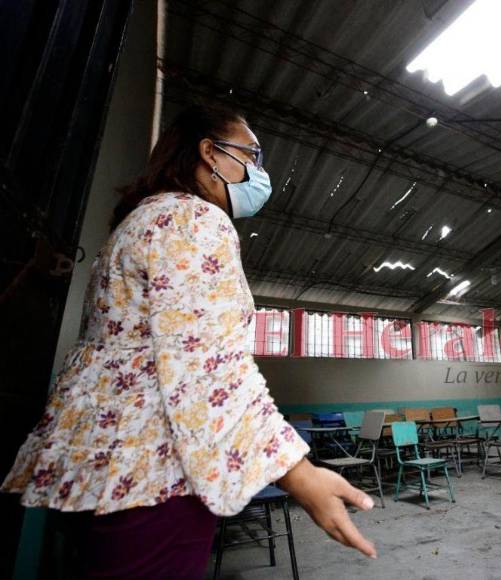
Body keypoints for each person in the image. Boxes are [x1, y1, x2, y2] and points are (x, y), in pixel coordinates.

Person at [1, 104, 377, 578]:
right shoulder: (193, 222)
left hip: (103, 468)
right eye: (252, 155)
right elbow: (210, 370)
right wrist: (302, 477)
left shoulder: (140, 223)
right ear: (210, 153)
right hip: (155, 474)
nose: (259, 172)